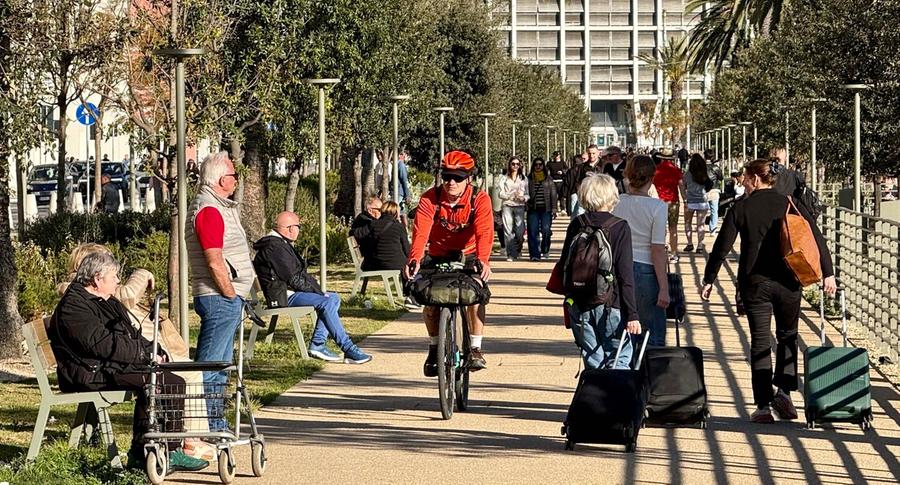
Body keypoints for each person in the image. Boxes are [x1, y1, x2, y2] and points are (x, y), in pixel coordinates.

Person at [702, 158, 836, 424]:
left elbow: (722, 246)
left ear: (754, 178)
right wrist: (828, 273)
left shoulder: (741, 207)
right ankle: (784, 391)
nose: (742, 181)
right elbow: (816, 236)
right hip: (789, 280)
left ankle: (763, 405)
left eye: (744, 177)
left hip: (755, 283)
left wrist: (709, 279)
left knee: (760, 342)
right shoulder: (789, 202)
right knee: (788, 336)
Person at [49, 252, 209, 472]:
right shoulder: (74, 306)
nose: (117, 281)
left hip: (104, 366)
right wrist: (144, 356)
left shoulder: (104, 300)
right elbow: (104, 344)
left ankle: (145, 452)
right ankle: (165, 452)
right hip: (88, 371)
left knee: (167, 379)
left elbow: (129, 334)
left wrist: (153, 349)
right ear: (97, 279)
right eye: (114, 276)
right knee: (162, 381)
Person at [404, 150, 494, 375]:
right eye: (446, 177)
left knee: (476, 294)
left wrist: (483, 261)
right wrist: (414, 258)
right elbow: (421, 232)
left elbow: (484, 232)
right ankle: (435, 347)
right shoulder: (429, 199)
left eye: (458, 178)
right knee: (430, 299)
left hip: (470, 253)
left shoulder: (479, 200)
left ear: (469, 179)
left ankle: (475, 348)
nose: (451, 182)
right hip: (437, 253)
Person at [185, 150, 256, 432]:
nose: (237, 180)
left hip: (224, 296)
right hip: (218, 298)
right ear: (220, 179)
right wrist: (229, 292)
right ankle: (207, 424)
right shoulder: (210, 210)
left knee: (220, 365)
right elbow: (214, 259)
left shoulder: (218, 206)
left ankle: (216, 421)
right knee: (212, 366)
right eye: (234, 176)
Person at [253, 211, 372, 364]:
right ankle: (348, 348)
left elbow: (297, 275)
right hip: (283, 296)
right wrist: (319, 293)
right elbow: (294, 278)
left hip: (288, 292)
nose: (298, 231)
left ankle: (317, 344)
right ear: (290, 228)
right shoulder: (274, 247)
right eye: (298, 227)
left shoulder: (280, 244)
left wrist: (320, 292)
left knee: (333, 298)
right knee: (327, 301)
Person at [560, 174, 641, 369]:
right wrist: (632, 314)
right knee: (619, 357)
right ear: (611, 195)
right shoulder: (620, 227)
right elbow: (625, 274)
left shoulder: (577, 223)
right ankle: (614, 398)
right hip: (610, 303)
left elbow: (564, 264)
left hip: (579, 302)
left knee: (593, 359)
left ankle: (595, 397)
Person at [613, 156, 669, 346]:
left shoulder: (616, 203)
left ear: (627, 175)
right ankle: (651, 373)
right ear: (652, 178)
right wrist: (664, 287)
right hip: (647, 270)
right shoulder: (658, 207)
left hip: (619, 267)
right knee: (652, 331)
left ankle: (626, 371)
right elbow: (657, 249)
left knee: (623, 328)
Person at [354, 201, 409, 272]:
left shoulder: (373, 224)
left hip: (377, 263)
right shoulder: (399, 227)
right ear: (395, 213)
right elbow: (406, 250)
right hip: (397, 264)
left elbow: (356, 233)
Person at [653, 149, 684, 262]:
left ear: (661, 158)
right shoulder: (676, 170)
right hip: (673, 202)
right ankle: (674, 253)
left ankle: (661, 251)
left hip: (658, 202)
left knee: (660, 228)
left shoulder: (656, 170)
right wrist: (685, 199)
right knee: (673, 228)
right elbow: (681, 185)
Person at [497, 156, 529, 261]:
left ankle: (518, 249)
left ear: (520, 166)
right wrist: (510, 196)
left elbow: (527, 195)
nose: (515, 166)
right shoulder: (503, 178)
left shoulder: (524, 179)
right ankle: (510, 253)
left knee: (520, 231)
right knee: (508, 230)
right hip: (507, 205)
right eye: (513, 164)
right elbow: (500, 193)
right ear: (509, 165)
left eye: (517, 164)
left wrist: (523, 198)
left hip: (519, 206)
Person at [525, 157, 557, 261]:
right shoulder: (529, 179)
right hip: (533, 209)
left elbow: (553, 194)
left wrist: (554, 208)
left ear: (543, 166)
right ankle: (535, 254)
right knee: (533, 232)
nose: (538, 166)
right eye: (536, 165)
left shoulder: (548, 179)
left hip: (546, 209)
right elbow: (525, 193)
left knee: (546, 230)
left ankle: (545, 248)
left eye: (540, 164)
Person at [681, 154, 712, 254]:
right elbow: (709, 184)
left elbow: (682, 185)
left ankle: (689, 244)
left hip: (690, 201)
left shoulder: (687, 174)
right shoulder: (704, 174)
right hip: (702, 201)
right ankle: (699, 245)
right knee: (700, 225)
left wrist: (684, 198)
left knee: (687, 223)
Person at [565, 144, 603, 217]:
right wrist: (581, 192)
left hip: (600, 196)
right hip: (585, 196)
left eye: (593, 153)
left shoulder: (604, 165)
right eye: (589, 153)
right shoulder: (582, 167)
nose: (591, 156)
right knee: (579, 214)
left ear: (598, 153)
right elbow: (578, 182)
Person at [351, 195, 383, 262]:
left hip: (372, 257)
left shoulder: (363, 219)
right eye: (380, 210)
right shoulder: (365, 222)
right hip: (372, 259)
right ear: (370, 210)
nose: (382, 212)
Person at [706, 156, 724, 233]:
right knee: (714, 211)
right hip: (714, 190)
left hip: (703, 191)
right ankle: (712, 229)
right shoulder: (715, 168)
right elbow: (721, 177)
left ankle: (700, 226)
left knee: (702, 210)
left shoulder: (701, 167)